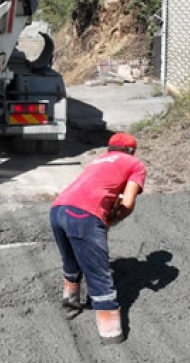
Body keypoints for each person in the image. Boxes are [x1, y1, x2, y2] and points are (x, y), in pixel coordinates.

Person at [49, 132, 146, 344]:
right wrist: (111, 221)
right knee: (99, 275)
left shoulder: (98, 160)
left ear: (110, 149)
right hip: (83, 215)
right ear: (132, 151)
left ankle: (70, 306)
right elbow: (127, 203)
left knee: (71, 262)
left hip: (57, 210)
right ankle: (111, 334)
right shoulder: (135, 164)